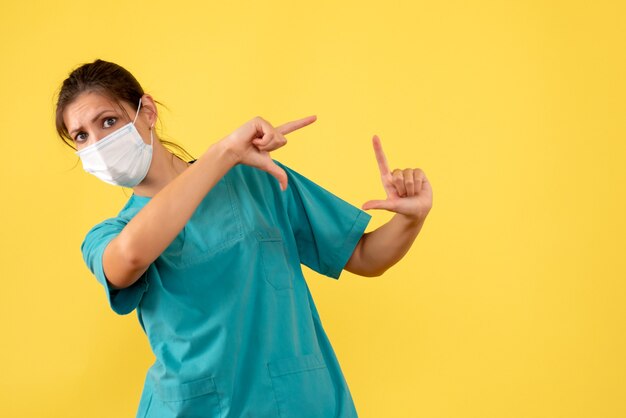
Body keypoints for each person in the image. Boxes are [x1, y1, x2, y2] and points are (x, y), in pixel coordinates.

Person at [55, 59, 433, 418]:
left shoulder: (256, 178)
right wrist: (223, 153)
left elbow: (365, 256)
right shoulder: (109, 236)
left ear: (148, 112)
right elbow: (130, 259)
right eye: (82, 136)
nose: (99, 143)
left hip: (296, 401)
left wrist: (410, 219)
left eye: (109, 121)